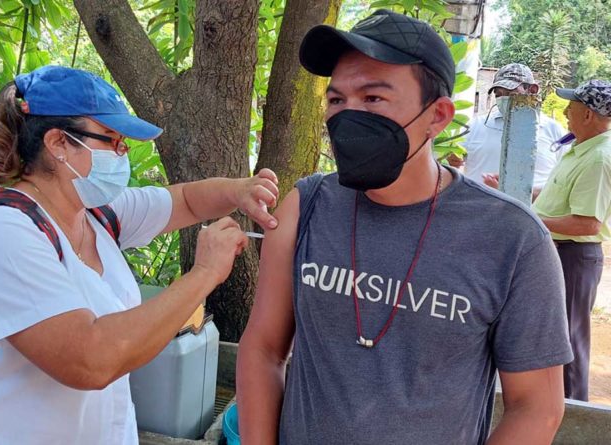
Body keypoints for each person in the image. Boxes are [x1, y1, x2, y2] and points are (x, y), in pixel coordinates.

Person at [236, 9, 572, 445]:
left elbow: (537, 408)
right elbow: (263, 348)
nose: (347, 117)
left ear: (437, 116)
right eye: (337, 100)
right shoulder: (307, 206)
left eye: (373, 99)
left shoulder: (512, 238)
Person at [0, 66, 280, 444]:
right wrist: (205, 274)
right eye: (111, 140)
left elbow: (187, 200)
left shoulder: (93, 214)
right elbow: (90, 360)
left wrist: (240, 190)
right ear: (59, 143)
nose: (121, 153)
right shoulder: (1, 234)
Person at [532, 79, 611, 402]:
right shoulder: (580, 150)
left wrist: (533, 220)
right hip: (561, 253)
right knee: (555, 332)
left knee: (568, 337)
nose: (565, 112)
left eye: (572, 106)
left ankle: (573, 410)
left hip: (574, 257)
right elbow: (556, 197)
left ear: (589, 115)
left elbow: (588, 223)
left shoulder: (598, 159)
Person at [451, 63, 566, 188]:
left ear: (532, 90)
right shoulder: (475, 127)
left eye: (510, 93)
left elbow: (564, 180)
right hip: (480, 205)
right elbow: (453, 164)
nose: (503, 99)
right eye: (498, 94)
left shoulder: (554, 131)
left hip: (531, 207)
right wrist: (454, 161)